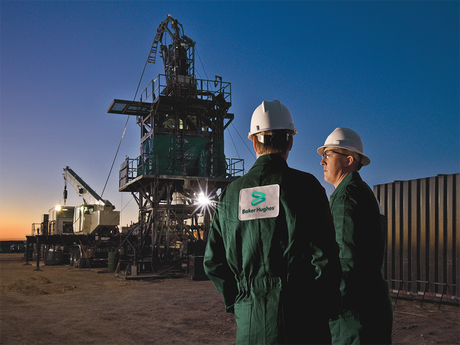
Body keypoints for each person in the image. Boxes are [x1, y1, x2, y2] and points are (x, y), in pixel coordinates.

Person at [204, 100, 342, 344]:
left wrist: (240, 301)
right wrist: (323, 309)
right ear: (290, 141)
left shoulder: (230, 195)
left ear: (254, 142)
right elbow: (326, 259)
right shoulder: (307, 187)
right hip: (302, 324)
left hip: (249, 326)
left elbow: (213, 262)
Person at [317, 127, 393, 345]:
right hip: (370, 307)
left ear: (348, 160)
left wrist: (328, 307)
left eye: (328, 155)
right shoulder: (362, 191)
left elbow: (345, 262)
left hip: (352, 316)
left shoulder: (346, 197)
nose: (322, 162)